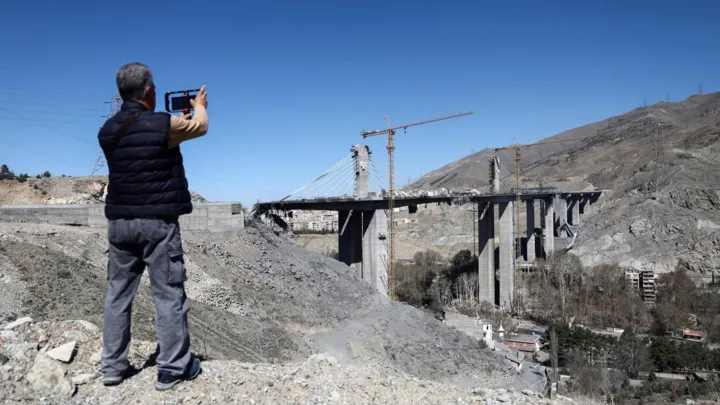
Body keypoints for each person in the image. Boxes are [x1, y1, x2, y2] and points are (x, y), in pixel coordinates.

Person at [96, 62, 209, 391]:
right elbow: (198, 127)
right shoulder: (162, 124)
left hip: (119, 223)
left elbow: (145, 139)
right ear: (148, 91)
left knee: (117, 296)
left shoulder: (106, 131)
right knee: (168, 295)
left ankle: (113, 368)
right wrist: (198, 107)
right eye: (154, 87)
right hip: (157, 222)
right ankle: (173, 368)